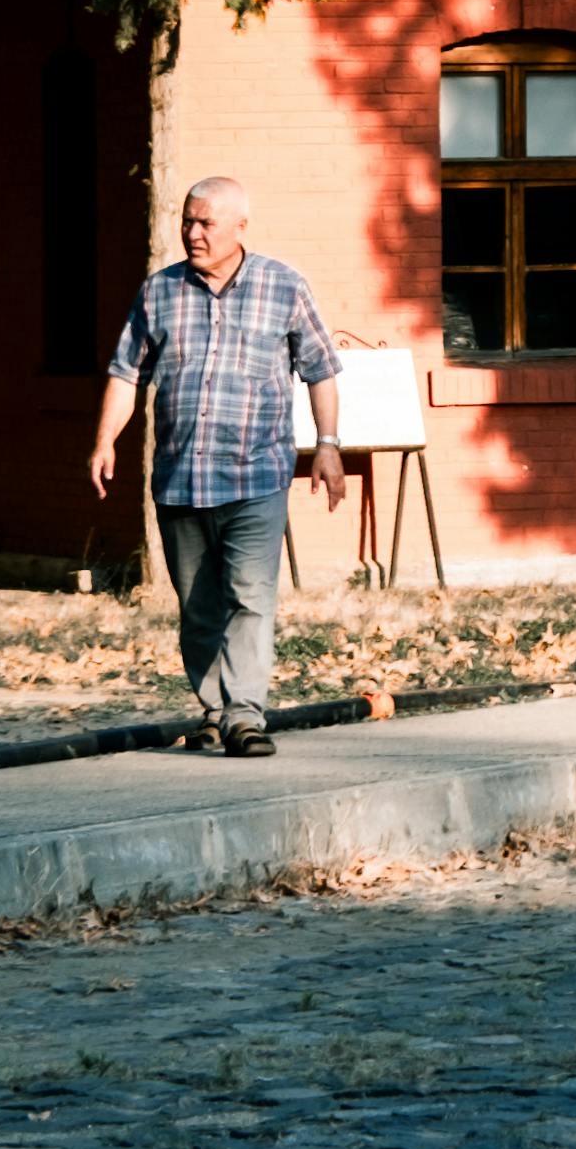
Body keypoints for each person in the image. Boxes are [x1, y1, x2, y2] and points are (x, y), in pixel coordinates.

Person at [92, 176, 346, 754]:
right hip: (180, 479)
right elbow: (127, 374)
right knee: (199, 604)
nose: (193, 233)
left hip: (256, 476)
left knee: (250, 595)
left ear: (239, 228)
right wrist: (105, 439)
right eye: (188, 221)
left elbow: (321, 369)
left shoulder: (284, 287)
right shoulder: (160, 292)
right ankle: (214, 709)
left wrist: (327, 443)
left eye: (206, 223)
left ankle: (246, 714)